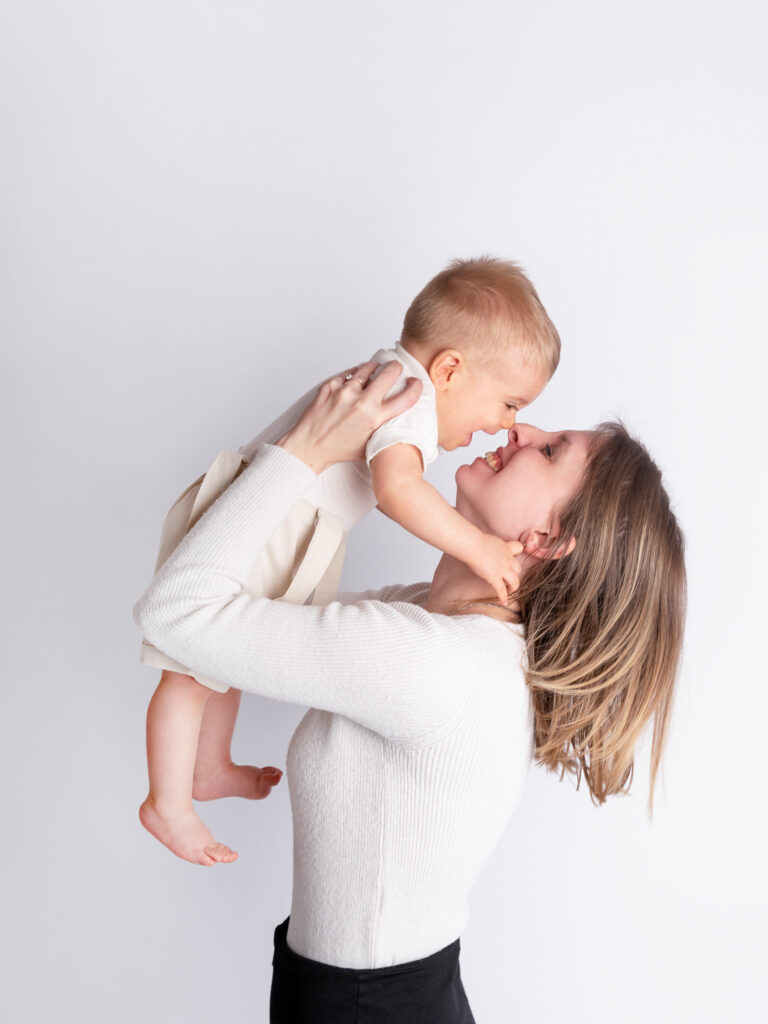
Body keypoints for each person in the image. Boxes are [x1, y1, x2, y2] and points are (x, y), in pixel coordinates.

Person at [133, 362, 686, 1023]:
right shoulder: (432, 624)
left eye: (549, 451)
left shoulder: (434, 661)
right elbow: (244, 599)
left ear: (545, 539)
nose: (523, 429)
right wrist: (324, 442)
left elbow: (178, 613)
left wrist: (302, 451)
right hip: (369, 998)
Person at [138, 257, 561, 866]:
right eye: (508, 403)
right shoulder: (406, 400)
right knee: (188, 673)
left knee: (213, 665)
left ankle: (207, 767)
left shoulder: (392, 379)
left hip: (273, 523)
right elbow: (398, 491)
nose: (507, 424)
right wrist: (477, 546)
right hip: (259, 524)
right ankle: (168, 802)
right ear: (449, 370)